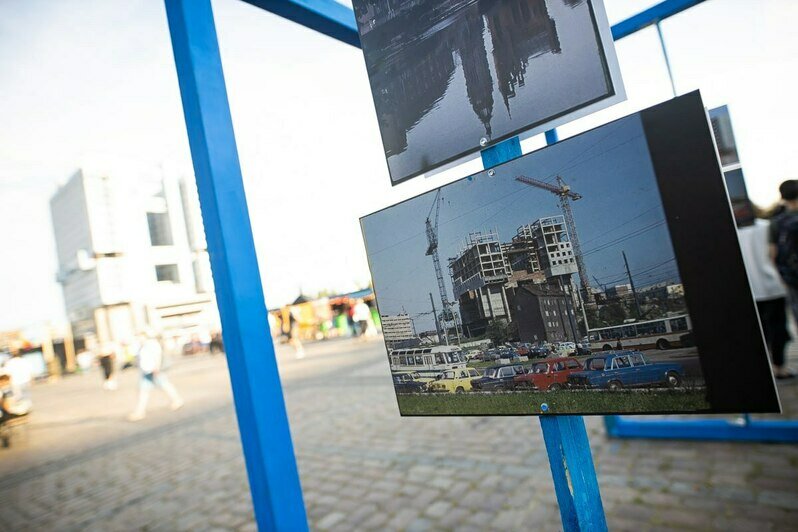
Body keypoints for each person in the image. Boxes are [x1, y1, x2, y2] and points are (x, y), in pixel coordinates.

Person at [128, 332, 184, 421]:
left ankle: (177, 400)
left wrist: (156, 367)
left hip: (154, 370)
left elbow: (157, 355)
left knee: (164, 385)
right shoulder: (141, 346)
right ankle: (140, 411)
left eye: (139, 336)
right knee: (144, 391)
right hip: (146, 371)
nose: (138, 338)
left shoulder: (151, 344)